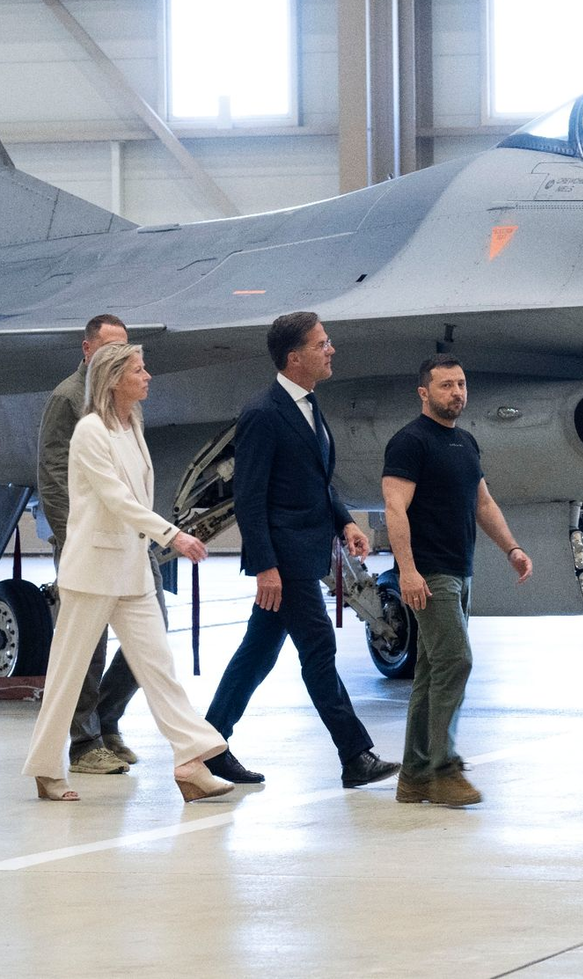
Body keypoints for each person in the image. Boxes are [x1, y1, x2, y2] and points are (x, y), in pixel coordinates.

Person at [23, 343, 232, 803]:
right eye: (139, 370)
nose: (149, 376)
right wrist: (172, 535)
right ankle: (44, 768)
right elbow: (117, 499)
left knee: (159, 668)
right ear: (115, 379)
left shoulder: (131, 425)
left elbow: (134, 495)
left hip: (131, 570)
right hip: (92, 572)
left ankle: (190, 762)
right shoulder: (90, 432)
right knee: (67, 675)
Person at [203, 312, 399, 789]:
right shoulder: (264, 414)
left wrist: (347, 522)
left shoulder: (308, 406)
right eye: (322, 343)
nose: (331, 350)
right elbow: (248, 498)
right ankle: (355, 755)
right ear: (295, 357)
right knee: (319, 648)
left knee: (258, 652)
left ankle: (207, 746)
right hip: (284, 560)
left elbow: (318, 480)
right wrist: (266, 567)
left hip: (304, 552)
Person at [382, 355, 532, 807]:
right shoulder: (409, 442)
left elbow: (483, 504)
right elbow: (394, 509)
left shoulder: (465, 443)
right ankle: (443, 767)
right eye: (446, 385)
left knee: (432, 671)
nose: (457, 393)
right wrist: (407, 570)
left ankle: (413, 776)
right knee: (456, 661)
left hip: (460, 569)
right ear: (424, 393)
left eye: (461, 384)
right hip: (429, 572)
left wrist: (512, 548)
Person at [37, 313, 169, 776]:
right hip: (88, 543)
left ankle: (106, 717)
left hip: (132, 543)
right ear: (88, 349)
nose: (122, 356)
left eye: (126, 347)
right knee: (85, 649)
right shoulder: (69, 399)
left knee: (153, 638)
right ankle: (82, 740)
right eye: (110, 347)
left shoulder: (126, 404)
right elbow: (53, 475)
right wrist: (70, 539)